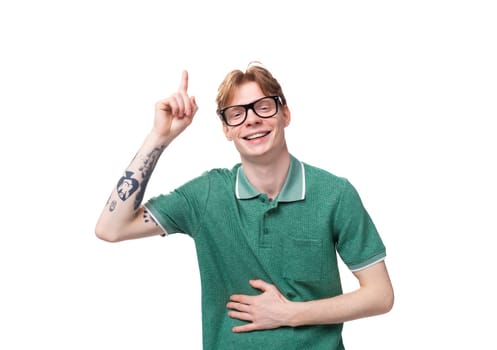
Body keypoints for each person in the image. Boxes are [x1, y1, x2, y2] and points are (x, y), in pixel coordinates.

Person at [95, 62, 394, 349]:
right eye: (236, 114)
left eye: (263, 106)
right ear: (226, 129)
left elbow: (380, 295)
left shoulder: (335, 194)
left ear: (285, 113)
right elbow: (111, 228)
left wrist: (288, 313)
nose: (251, 119)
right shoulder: (207, 194)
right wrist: (159, 137)